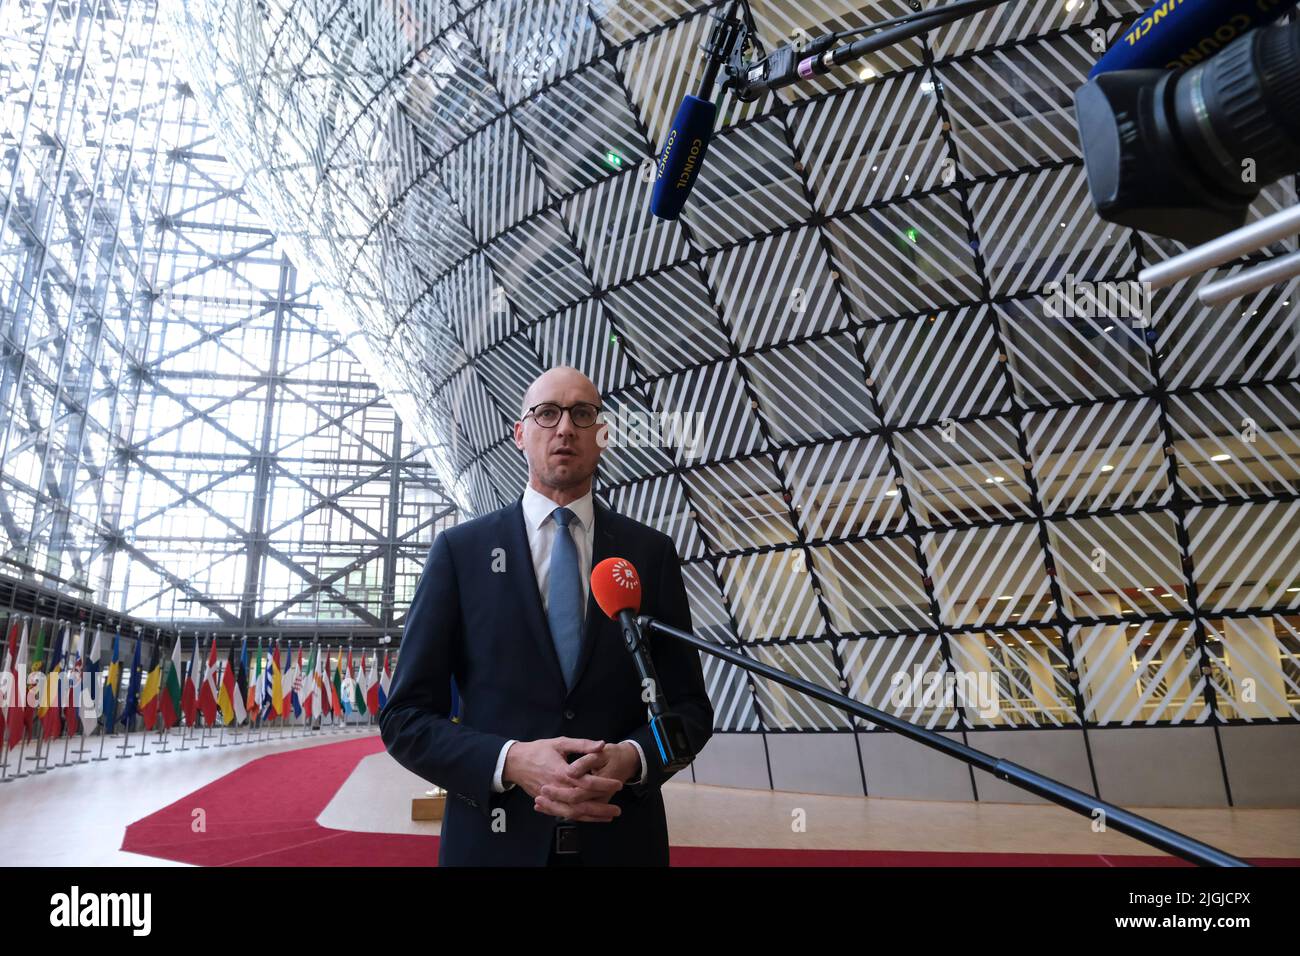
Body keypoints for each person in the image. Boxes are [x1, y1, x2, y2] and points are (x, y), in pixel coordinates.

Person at [380, 365, 713, 866]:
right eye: (547, 413)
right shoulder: (461, 553)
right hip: (494, 848)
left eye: (582, 414)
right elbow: (404, 717)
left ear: (602, 435)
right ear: (520, 433)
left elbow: (689, 709)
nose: (564, 428)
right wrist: (510, 760)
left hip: (621, 844)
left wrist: (634, 759)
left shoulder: (650, 554)